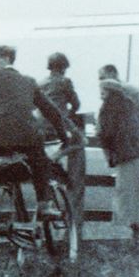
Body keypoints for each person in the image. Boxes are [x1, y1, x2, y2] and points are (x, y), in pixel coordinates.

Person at [0, 45, 68, 225]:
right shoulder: (29, 81)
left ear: (6, 58)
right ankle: (44, 206)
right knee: (40, 163)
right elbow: (52, 111)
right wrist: (64, 137)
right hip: (28, 137)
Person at [97, 79, 139, 246]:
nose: (100, 94)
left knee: (126, 203)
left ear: (109, 91)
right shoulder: (130, 106)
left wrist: (108, 154)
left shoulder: (107, 108)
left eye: (103, 90)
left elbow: (105, 135)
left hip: (128, 159)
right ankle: (135, 240)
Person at [39, 52, 86, 226]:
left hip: (41, 129)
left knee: (47, 164)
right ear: (64, 67)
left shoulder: (41, 83)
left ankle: (53, 175)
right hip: (57, 128)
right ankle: (61, 175)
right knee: (78, 145)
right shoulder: (65, 82)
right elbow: (76, 103)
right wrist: (71, 114)